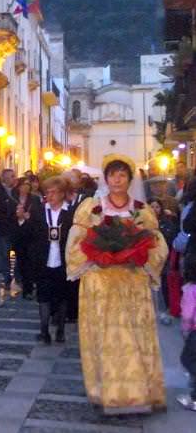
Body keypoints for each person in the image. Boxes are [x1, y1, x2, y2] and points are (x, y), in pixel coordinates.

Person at [66, 154, 168, 415]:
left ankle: (141, 392)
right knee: (107, 338)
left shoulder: (141, 210)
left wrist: (138, 256)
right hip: (100, 283)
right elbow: (76, 240)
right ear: (106, 178)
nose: (117, 180)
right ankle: (106, 393)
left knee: (134, 336)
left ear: (129, 179)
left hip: (132, 282)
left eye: (122, 175)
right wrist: (99, 256)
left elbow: (156, 243)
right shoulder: (91, 207)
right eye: (113, 175)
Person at [19, 176, 73, 343]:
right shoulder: (39, 210)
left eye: (53, 192)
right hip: (43, 259)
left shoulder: (70, 213)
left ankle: (61, 331)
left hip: (63, 260)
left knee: (62, 297)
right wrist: (22, 219)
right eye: (47, 192)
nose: (50, 196)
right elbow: (28, 233)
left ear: (62, 194)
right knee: (43, 296)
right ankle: (44, 331)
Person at [149, 197, 179, 324]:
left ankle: (166, 308)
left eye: (157, 206)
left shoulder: (166, 221)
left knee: (164, 283)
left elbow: (171, 237)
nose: (155, 209)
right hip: (149, 259)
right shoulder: (143, 222)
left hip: (164, 258)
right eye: (152, 206)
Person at [13, 177, 42, 300]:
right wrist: (16, 216)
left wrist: (28, 216)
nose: (25, 187)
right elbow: (5, 214)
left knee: (30, 261)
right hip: (17, 233)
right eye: (23, 185)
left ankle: (28, 289)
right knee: (21, 261)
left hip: (31, 234)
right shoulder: (12, 199)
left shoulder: (35, 199)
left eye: (27, 185)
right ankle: (24, 284)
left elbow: (40, 215)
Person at [0, 169, 18, 290]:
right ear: (5, 178)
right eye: (12, 176)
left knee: (17, 253)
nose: (15, 178)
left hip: (15, 228)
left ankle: (17, 277)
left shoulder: (16, 191)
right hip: (3, 228)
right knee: (4, 254)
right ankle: (7, 277)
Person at [176, 259, 196, 411]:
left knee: (188, 359)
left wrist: (185, 330)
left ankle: (194, 400)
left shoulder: (191, 290)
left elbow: (188, 315)